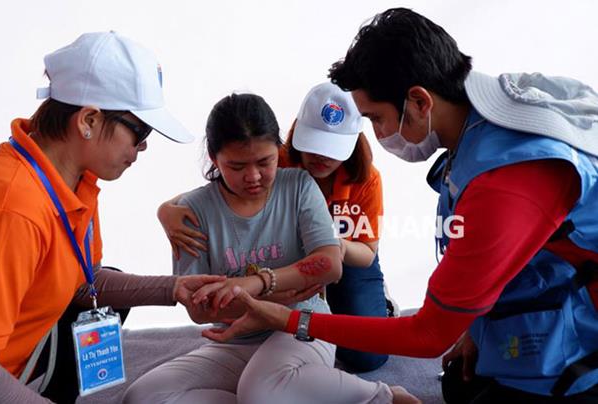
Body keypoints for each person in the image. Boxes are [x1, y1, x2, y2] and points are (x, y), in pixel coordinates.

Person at [202, 8, 598, 404]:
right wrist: (476, 329)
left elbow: (427, 335)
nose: (379, 134)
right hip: (549, 295)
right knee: (458, 385)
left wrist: (288, 320)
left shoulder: (508, 180)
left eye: (377, 118)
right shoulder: (494, 114)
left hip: (580, 337)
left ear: (419, 101)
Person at [0, 31, 225, 403]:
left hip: (17, 358)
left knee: (111, 296)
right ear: (88, 119)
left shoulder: (75, 178)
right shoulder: (14, 209)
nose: (142, 146)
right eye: (139, 131)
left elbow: (83, 285)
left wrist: (173, 289)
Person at [123, 93, 418, 404]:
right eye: (236, 166)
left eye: (265, 162)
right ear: (213, 157)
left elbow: (330, 264)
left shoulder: (300, 185)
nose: (252, 177)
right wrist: (276, 296)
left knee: (264, 390)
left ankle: (382, 396)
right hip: (237, 339)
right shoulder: (190, 212)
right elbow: (199, 308)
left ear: (279, 150)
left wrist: (256, 283)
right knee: (142, 396)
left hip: (301, 326)